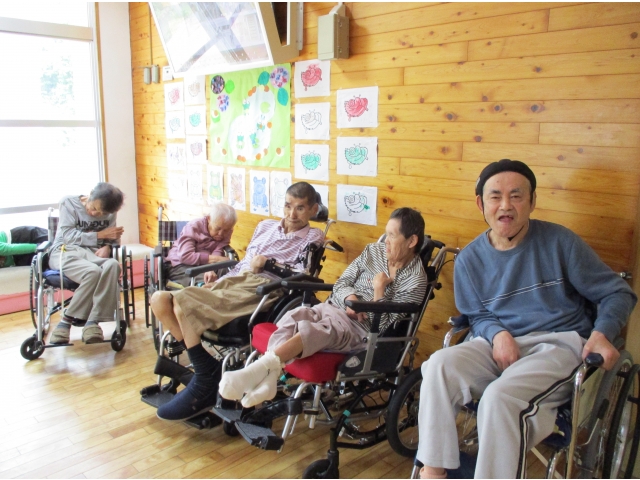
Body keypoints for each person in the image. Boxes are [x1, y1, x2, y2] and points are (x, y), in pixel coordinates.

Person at [416, 159, 637, 479]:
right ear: (481, 204)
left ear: (532, 201)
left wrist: (603, 333)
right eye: (495, 197)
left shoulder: (560, 242)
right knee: (438, 365)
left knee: (499, 398)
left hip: (556, 344)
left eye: (516, 196)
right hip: (496, 345)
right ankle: (433, 472)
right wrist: (498, 334)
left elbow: (617, 292)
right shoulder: (469, 259)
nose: (505, 206)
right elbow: (477, 314)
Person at [219, 207, 429, 408]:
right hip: (332, 306)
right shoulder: (373, 252)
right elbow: (342, 282)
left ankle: (255, 371)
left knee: (317, 330)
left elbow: (383, 326)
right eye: (386, 234)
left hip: (359, 330)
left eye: (392, 236)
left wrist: (378, 291)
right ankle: (269, 380)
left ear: (411, 241)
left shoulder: (416, 281)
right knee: (294, 316)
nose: (386, 242)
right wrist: (350, 297)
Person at [150, 181, 325, 421]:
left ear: (313, 210)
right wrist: (219, 281)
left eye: (300, 208)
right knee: (159, 299)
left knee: (181, 304)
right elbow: (242, 264)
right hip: (235, 281)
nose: (292, 214)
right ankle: (207, 368)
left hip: (263, 288)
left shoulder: (313, 236)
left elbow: (302, 275)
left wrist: (268, 264)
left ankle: (204, 378)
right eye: (287, 206)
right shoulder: (265, 226)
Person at [49, 182, 125, 345]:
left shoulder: (110, 212)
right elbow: (68, 237)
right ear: (90, 194)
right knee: (93, 271)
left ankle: (92, 321)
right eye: (94, 208)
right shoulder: (68, 203)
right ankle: (66, 321)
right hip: (65, 251)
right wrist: (100, 235)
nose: (95, 214)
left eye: (101, 213)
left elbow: (112, 237)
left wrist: (108, 246)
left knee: (112, 265)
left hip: (92, 253)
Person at [164, 203, 237, 288]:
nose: (221, 233)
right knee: (206, 283)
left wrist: (211, 268)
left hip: (205, 264)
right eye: (217, 228)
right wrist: (216, 260)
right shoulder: (193, 227)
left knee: (230, 274)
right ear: (209, 219)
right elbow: (185, 256)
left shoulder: (227, 230)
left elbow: (218, 251)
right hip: (180, 264)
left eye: (226, 230)